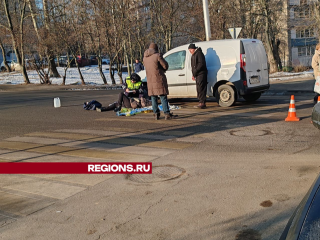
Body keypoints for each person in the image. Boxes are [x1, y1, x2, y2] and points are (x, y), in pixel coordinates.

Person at [143, 43, 176, 120]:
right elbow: (165, 65)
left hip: (150, 80)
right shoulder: (157, 55)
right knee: (163, 96)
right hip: (158, 79)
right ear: (156, 49)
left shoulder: (145, 58)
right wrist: (162, 69)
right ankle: (167, 113)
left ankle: (156, 114)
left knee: (153, 97)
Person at [188, 43, 208, 109]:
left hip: (201, 73)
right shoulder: (194, 55)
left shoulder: (199, 54)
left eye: (190, 49)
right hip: (197, 74)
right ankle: (201, 101)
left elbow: (201, 64)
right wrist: (193, 74)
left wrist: (196, 71)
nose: (190, 51)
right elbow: (193, 66)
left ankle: (202, 102)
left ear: (193, 49)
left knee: (201, 87)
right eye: (189, 50)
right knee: (199, 88)